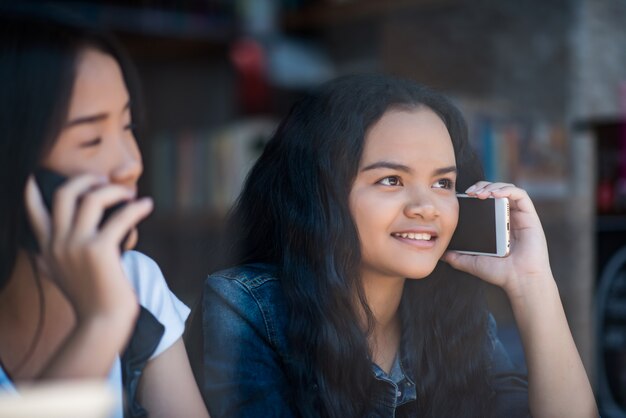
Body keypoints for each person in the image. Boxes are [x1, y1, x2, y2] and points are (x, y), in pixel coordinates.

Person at [186, 74, 597, 417]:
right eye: (391, 180)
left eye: (442, 183)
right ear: (320, 193)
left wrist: (532, 283)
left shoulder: (455, 317)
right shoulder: (248, 306)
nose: (426, 208)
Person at [0, 9, 209, 418]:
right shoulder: (118, 296)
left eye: (128, 126)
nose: (131, 163)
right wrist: (102, 323)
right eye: (92, 139)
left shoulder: (134, 279)